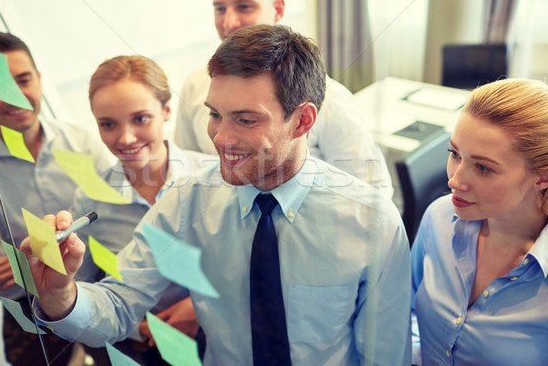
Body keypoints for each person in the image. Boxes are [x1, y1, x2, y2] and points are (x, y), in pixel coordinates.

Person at [22, 24, 411, 365]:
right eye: (214, 114)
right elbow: (121, 303)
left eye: (245, 119)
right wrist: (62, 296)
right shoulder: (188, 198)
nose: (221, 138)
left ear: (303, 120)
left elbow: (384, 356)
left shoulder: (371, 221)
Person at [0, 31, 112, 365]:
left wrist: (25, 259)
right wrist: (75, 246)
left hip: (102, 293)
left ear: (38, 80)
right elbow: (2, 284)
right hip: (31, 316)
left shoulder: (83, 142)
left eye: (22, 80)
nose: (14, 95)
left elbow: (116, 231)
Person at [174, 0, 394, 198]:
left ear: (277, 9)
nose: (229, 22)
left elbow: (374, 193)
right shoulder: (195, 87)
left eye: (244, 6)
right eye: (220, 8)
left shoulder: (330, 100)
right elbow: (188, 171)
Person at [71, 55, 215, 365]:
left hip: (223, 337)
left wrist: (197, 308)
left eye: (140, 119)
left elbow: (247, 264)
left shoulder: (215, 176)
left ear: (166, 111)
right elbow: (82, 286)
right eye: (108, 124)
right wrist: (138, 327)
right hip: (141, 349)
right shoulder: (89, 203)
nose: (125, 138)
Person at [411, 78, 548, 365]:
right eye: (454, 154)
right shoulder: (438, 218)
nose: (454, 180)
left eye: (483, 168)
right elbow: (406, 310)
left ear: (543, 177)